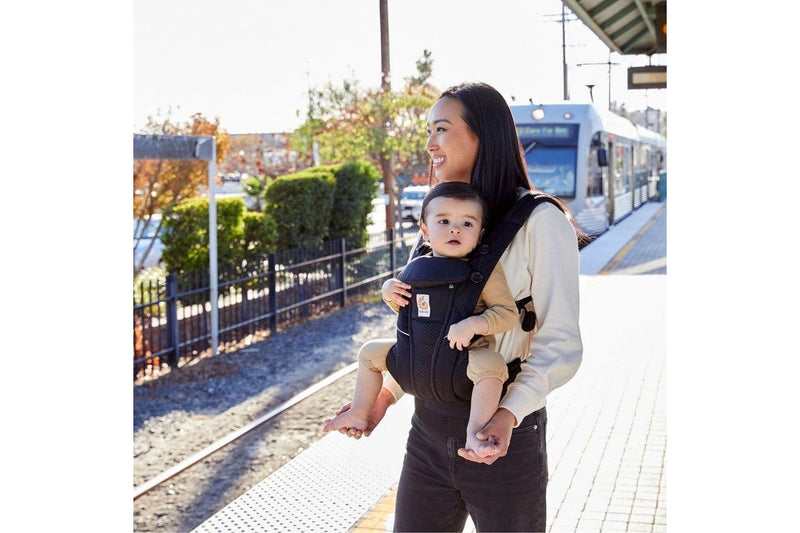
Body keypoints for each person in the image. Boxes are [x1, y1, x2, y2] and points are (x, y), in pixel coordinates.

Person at [334, 81, 583, 532]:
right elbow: (425, 327)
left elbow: (560, 345)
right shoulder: (439, 215)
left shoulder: (541, 222)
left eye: (441, 129)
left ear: (481, 137)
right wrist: (384, 398)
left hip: (502, 434)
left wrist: (506, 416)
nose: (430, 143)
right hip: (427, 433)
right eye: (429, 130)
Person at [323, 181, 519, 457]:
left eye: (467, 223)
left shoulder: (484, 272)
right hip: (415, 358)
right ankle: (358, 412)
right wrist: (388, 291)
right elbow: (409, 310)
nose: (455, 229)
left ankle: (476, 434)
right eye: (444, 221)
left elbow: (507, 314)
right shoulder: (418, 267)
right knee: (369, 354)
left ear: (480, 234)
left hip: (462, 360)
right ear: (425, 231)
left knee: (493, 366)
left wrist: (474, 324)